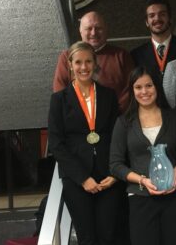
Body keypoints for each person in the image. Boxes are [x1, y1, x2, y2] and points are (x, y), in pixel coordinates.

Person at [48, 41, 124, 245]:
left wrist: (115, 173)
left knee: (109, 235)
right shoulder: (59, 100)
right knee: (87, 237)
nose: (84, 67)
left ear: (95, 63)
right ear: (70, 65)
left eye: (88, 61)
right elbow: (56, 144)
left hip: (108, 177)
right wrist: (83, 179)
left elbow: (117, 136)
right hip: (76, 179)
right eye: (78, 62)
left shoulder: (108, 95)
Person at [110, 66, 176, 245]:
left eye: (149, 86)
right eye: (138, 87)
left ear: (157, 87)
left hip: (175, 197)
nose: (144, 91)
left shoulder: (175, 118)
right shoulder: (124, 122)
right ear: (132, 90)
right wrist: (143, 181)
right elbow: (115, 165)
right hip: (140, 198)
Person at [53, 11, 134, 112]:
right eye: (89, 28)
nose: (93, 33)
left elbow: (130, 90)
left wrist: (111, 114)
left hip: (115, 121)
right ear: (80, 31)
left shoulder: (122, 56)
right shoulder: (67, 57)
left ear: (106, 30)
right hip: (77, 122)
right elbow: (60, 92)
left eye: (98, 28)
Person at [131, 0, 176, 77]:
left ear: (170, 18)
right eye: (151, 16)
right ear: (147, 22)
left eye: (162, 14)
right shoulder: (136, 55)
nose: (157, 18)